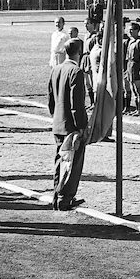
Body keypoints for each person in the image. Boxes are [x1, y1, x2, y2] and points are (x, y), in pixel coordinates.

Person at [49, 38, 88, 211]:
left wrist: (56, 116)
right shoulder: (76, 71)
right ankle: (65, 198)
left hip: (58, 123)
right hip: (71, 126)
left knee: (60, 161)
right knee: (72, 164)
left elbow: (51, 99)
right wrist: (81, 126)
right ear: (80, 52)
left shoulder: (56, 69)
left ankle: (57, 196)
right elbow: (76, 103)